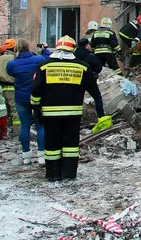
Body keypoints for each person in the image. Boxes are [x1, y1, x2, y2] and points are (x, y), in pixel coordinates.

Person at [31, 36, 104, 181]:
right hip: (73, 113)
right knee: (71, 144)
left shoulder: (44, 66)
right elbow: (94, 91)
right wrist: (100, 109)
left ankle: (53, 174)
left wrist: (36, 107)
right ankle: (69, 173)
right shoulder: (82, 67)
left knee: (52, 144)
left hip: (50, 113)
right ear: (73, 49)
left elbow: (36, 91)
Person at [6, 39, 46, 165]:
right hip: (38, 96)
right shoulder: (38, 60)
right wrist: (44, 49)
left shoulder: (12, 64)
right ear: (28, 47)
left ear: (15, 49)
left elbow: (11, 74)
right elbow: (46, 59)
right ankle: (41, 156)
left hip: (21, 98)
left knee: (25, 126)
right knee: (40, 126)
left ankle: (26, 156)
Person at [0, 39, 18, 136]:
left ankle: (2, 132)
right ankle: (17, 132)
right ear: (14, 47)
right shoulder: (15, 58)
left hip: (0, 88)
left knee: (2, 112)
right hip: (13, 88)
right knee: (15, 111)